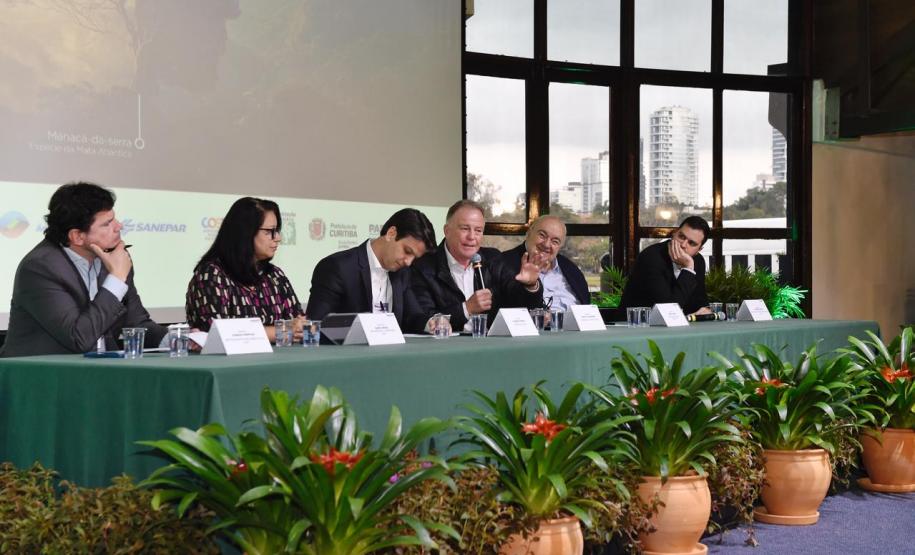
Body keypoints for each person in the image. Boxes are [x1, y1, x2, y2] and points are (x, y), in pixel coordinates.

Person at [1, 182, 167, 357]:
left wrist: (174, 339)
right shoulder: (40, 268)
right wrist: (116, 279)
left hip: (100, 368)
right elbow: (79, 338)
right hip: (43, 371)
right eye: (107, 224)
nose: (119, 226)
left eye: (114, 219)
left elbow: (137, 324)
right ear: (77, 236)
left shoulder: (112, 257)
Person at [411, 200, 544, 332]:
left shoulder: (493, 259)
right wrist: (466, 309)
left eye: (478, 230)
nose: (472, 237)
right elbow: (422, 318)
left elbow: (519, 306)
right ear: (447, 231)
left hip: (491, 343)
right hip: (449, 344)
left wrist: (530, 286)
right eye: (465, 229)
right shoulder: (423, 267)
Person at [186, 197, 305, 343]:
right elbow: (216, 332)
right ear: (246, 232)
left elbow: (299, 324)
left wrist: (302, 327)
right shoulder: (211, 274)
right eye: (269, 231)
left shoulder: (275, 275)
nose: (278, 238)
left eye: (277, 231)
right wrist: (280, 332)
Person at [306, 208, 437, 333]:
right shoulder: (336, 267)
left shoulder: (402, 273)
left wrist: (431, 323)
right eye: (407, 251)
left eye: (414, 258)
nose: (408, 262)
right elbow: (316, 324)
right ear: (391, 233)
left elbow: (413, 316)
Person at [619, 215, 711, 316]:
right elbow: (668, 310)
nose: (683, 245)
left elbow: (700, 302)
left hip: (675, 324)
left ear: (699, 250)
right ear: (674, 234)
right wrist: (688, 269)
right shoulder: (652, 257)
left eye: (692, 243)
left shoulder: (698, 261)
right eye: (681, 237)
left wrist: (704, 310)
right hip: (634, 323)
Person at [501, 215, 590, 311]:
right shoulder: (503, 263)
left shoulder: (571, 269)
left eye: (555, 241)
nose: (546, 244)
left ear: (560, 246)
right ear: (529, 232)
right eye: (542, 235)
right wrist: (531, 286)